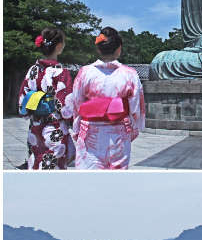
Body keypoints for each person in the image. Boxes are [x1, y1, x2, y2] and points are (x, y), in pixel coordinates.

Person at [70, 27, 145, 169]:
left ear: (98, 49)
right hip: (118, 133)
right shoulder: (130, 74)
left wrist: (77, 130)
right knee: (115, 182)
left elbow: (77, 104)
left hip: (90, 132)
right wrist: (132, 130)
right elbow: (136, 109)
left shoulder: (84, 72)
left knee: (88, 180)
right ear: (119, 49)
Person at [17, 28, 74, 169]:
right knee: (54, 172)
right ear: (59, 46)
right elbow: (66, 109)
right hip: (55, 130)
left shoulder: (32, 70)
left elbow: (22, 104)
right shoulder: (61, 73)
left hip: (35, 130)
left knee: (36, 165)